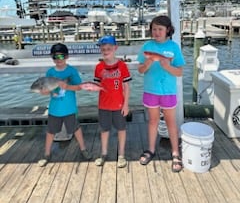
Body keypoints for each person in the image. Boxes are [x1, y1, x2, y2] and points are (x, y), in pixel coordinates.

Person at [137, 15, 185, 172]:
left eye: (160, 29)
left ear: (168, 30)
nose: (157, 32)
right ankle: (150, 149)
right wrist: (147, 63)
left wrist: (167, 66)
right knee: (152, 121)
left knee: (171, 122)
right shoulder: (146, 46)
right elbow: (140, 70)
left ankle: (175, 153)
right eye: (154, 29)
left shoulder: (173, 47)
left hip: (168, 92)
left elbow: (179, 72)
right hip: (151, 90)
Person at [38, 43, 92, 167]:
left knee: (76, 129)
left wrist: (67, 86)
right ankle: (46, 154)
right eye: (55, 57)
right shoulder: (49, 72)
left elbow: (79, 87)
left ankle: (83, 149)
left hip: (69, 108)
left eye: (61, 56)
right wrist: (44, 92)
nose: (58, 60)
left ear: (67, 56)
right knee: (50, 131)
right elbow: (47, 91)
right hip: (54, 109)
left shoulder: (71, 71)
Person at [94, 35, 132, 168]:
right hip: (103, 105)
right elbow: (97, 85)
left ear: (115, 48)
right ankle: (103, 153)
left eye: (109, 48)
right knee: (104, 130)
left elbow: (126, 86)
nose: (106, 51)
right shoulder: (98, 67)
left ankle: (121, 154)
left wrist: (126, 104)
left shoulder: (122, 66)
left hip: (119, 105)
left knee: (121, 129)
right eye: (103, 49)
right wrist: (90, 88)